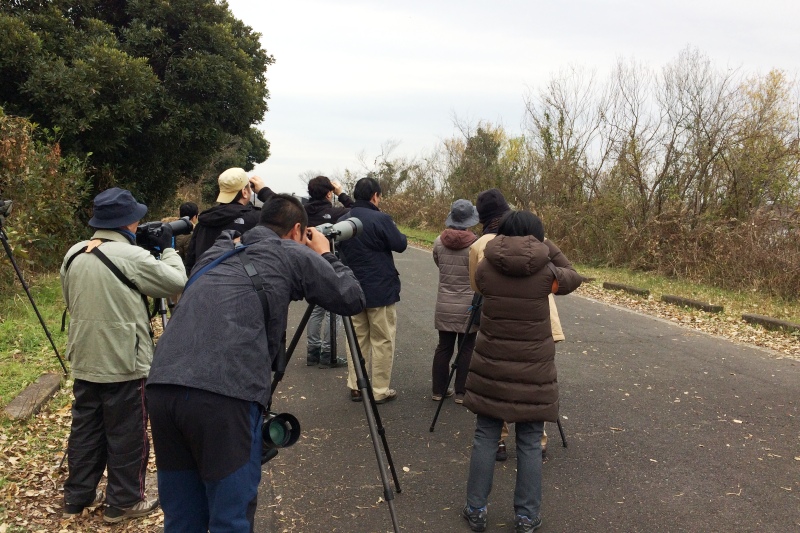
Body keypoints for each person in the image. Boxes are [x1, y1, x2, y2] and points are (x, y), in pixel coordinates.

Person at [146, 194, 365, 532]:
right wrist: (324, 252)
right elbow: (351, 297)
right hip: (224, 391)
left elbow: (227, 239)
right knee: (230, 518)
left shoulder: (218, 253)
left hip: (162, 384)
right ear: (296, 230)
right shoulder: (290, 251)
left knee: (182, 515)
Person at [60, 188, 187, 523]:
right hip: (124, 362)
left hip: (85, 357)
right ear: (130, 221)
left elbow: (70, 297)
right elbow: (176, 282)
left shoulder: (74, 253)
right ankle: (124, 501)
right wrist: (169, 249)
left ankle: (77, 496)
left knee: (86, 428)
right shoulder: (132, 258)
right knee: (127, 432)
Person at [461, 210, 582, 533]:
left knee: (485, 436)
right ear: (537, 237)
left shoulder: (486, 268)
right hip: (534, 368)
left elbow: (478, 287)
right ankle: (527, 516)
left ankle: (476, 509)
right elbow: (573, 276)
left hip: (491, 365)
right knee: (529, 441)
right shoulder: (547, 272)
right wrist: (546, 246)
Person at [468, 189, 565, 461]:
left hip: (497, 322)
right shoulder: (541, 246)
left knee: (498, 383)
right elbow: (568, 276)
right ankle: (539, 441)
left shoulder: (480, 247)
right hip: (539, 323)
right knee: (535, 383)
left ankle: (499, 440)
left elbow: (478, 286)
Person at [336, 177, 407, 404]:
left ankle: (356, 385)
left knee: (356, 337)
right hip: (380, 289)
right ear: (375, 196)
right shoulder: (380, 218)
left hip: (352, 287)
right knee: (382, 339)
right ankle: (379, 389)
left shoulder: (343, 220)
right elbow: (400, 244)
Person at [432, 199, 480, 404]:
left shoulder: (438, 241)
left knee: (444, 346)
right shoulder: (476, 245)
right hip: (469, 304)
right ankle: (461, 392)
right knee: (467, 347)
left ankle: (438, 390)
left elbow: (439, 264)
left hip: (445, 301)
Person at [304, 175, 354, 367]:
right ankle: (328, 353)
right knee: (335, 310)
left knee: (316, 308)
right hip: (331, 263)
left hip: (309, 264)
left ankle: (312, 351)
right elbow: (357, 210)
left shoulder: (303, 212)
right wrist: (341, 193)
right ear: (328, 193)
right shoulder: (338, 213)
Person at [184, 167, 274, 273]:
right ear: (244, 192)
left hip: (204, 284)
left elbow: (190, 262)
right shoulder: (256, 219)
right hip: (243, 287)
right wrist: (265, 192)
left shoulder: (204, 221)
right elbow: (287, 217)